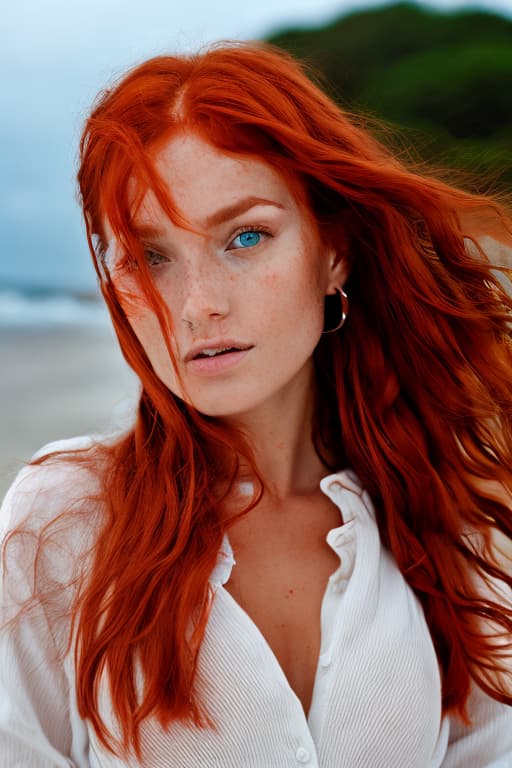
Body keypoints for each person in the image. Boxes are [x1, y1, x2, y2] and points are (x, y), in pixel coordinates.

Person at [1, 41, 512, 768]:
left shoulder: (436, 507)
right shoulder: (64, 520)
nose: (198, 306)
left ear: (332, 252)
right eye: (151, 256)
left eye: (245, 237)